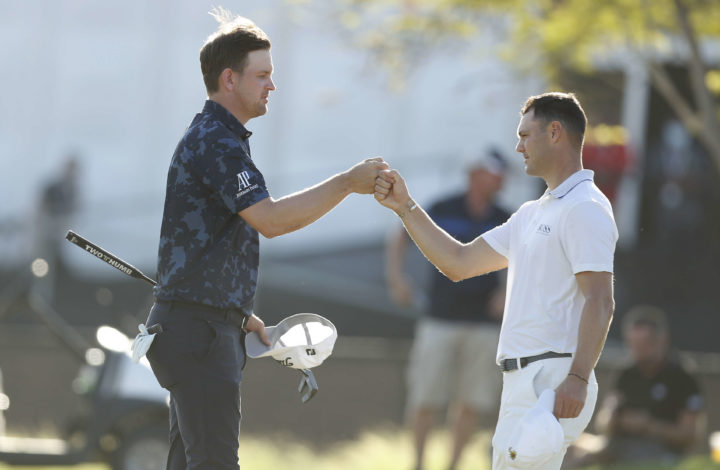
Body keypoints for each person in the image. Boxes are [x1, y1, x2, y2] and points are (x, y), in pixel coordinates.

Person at [143, 9, 388, 470]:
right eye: (263, 75)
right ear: (229, 79)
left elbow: (211, 243)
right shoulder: (216, 140)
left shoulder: (219, 138)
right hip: (198, 334)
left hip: (205, 325)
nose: (272, 86)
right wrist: (347, 182)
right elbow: (270, 220)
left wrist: (239, 314)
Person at [374, 92, 618, 470]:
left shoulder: (585, 206)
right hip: (525, 381)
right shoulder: (531, 212)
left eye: (525, 135)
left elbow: (600, 300)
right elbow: (458, 262)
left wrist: (577, 377)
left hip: (552, 380)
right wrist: (405, 207)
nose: (518, 147)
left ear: (555, 133)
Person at [385, 149, 510, 470]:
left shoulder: (506, 215)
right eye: (494, 173)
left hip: (484, 322)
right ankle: (418, 464)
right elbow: (401, 236)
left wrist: (507, 292)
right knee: (425, 397)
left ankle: (453, 465)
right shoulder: (443, 207)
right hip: (439, 317)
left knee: (470, 401)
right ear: (474, 174)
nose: (500, 180)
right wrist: (397, 279)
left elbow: (524, 260)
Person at [566, 305, 705, 467]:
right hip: (618, 444)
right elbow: (604, 424)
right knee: (566, 446)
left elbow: (690, 435)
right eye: (634, 345)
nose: (639, 351)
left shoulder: (682, 376)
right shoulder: (627, 373)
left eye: (645, 345)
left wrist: (648, 425)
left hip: (661, 450)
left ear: (662, 340)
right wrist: (613, 418)